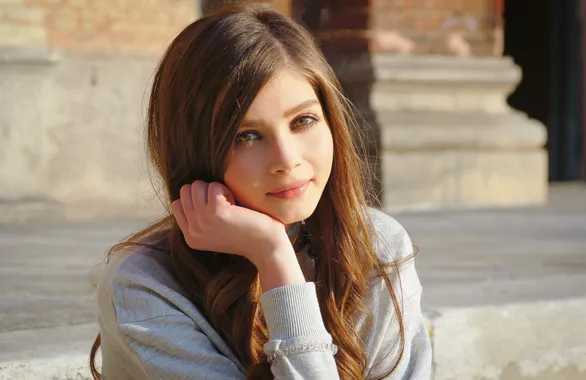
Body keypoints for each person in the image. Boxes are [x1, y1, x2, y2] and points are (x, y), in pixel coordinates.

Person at [89, 4, 432, 380]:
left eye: (303, 121)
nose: (286, 159)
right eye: (246, 136)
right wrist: (274, 256)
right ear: (196, 151)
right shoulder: (146, 286)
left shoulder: (377, 245)